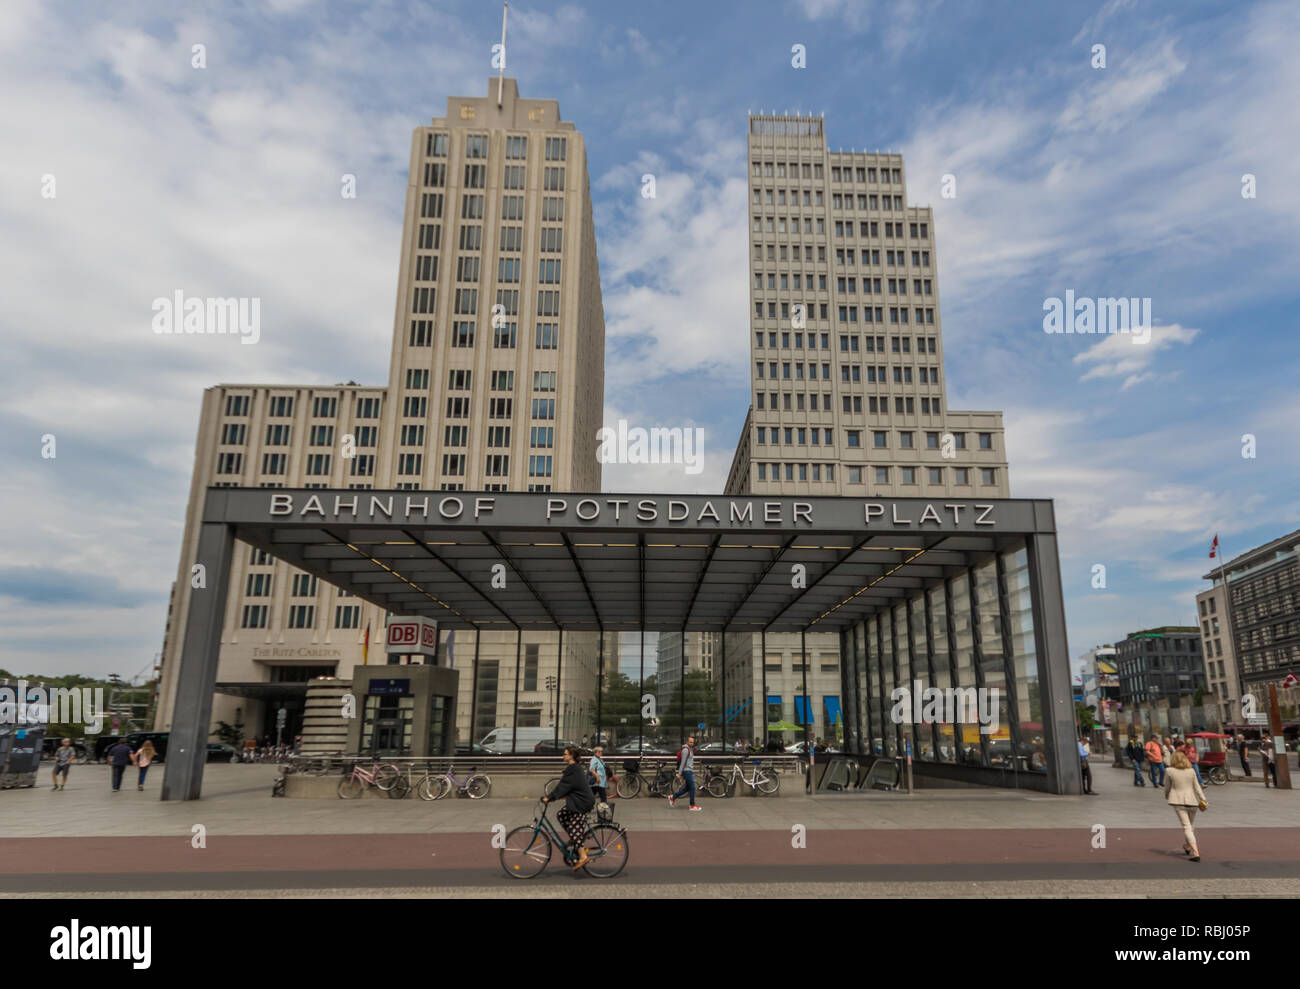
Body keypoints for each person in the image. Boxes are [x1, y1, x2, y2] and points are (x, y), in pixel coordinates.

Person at [541, 745, 595, 870]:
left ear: (571, 756)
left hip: (581, 803)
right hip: (577, 801)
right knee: (561, 815)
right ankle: (575, 838)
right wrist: (554, 797)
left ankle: (583, 856)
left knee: (574, 827)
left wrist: (550, 798)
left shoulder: (573, 769)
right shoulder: (573, 768)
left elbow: (563, 786)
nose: (563, 756)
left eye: (565, 754)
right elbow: (567, 786)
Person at [1164, 750, 1207, 862]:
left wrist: (1167, 795)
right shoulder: (1191, 771)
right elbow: (1197, 787)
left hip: (1178, 801)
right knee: (1190, 826)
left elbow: (1167, 787)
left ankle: (1196, 853)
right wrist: (1203, 799)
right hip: (1192, 801)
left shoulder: (1169, 771)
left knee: (1186, 827)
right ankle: (1187, 847)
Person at [668, 735, 700, 811]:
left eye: (693, 742)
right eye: (690, 742)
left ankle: (673, 797)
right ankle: (692, 805)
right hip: (687, 771)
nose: (692, 743)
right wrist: (679, 773)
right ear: (687, 742)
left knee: (687, 788)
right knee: (692, 787)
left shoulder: (690, 749)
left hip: (689, 770)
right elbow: (683, 762)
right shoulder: (686, 750)